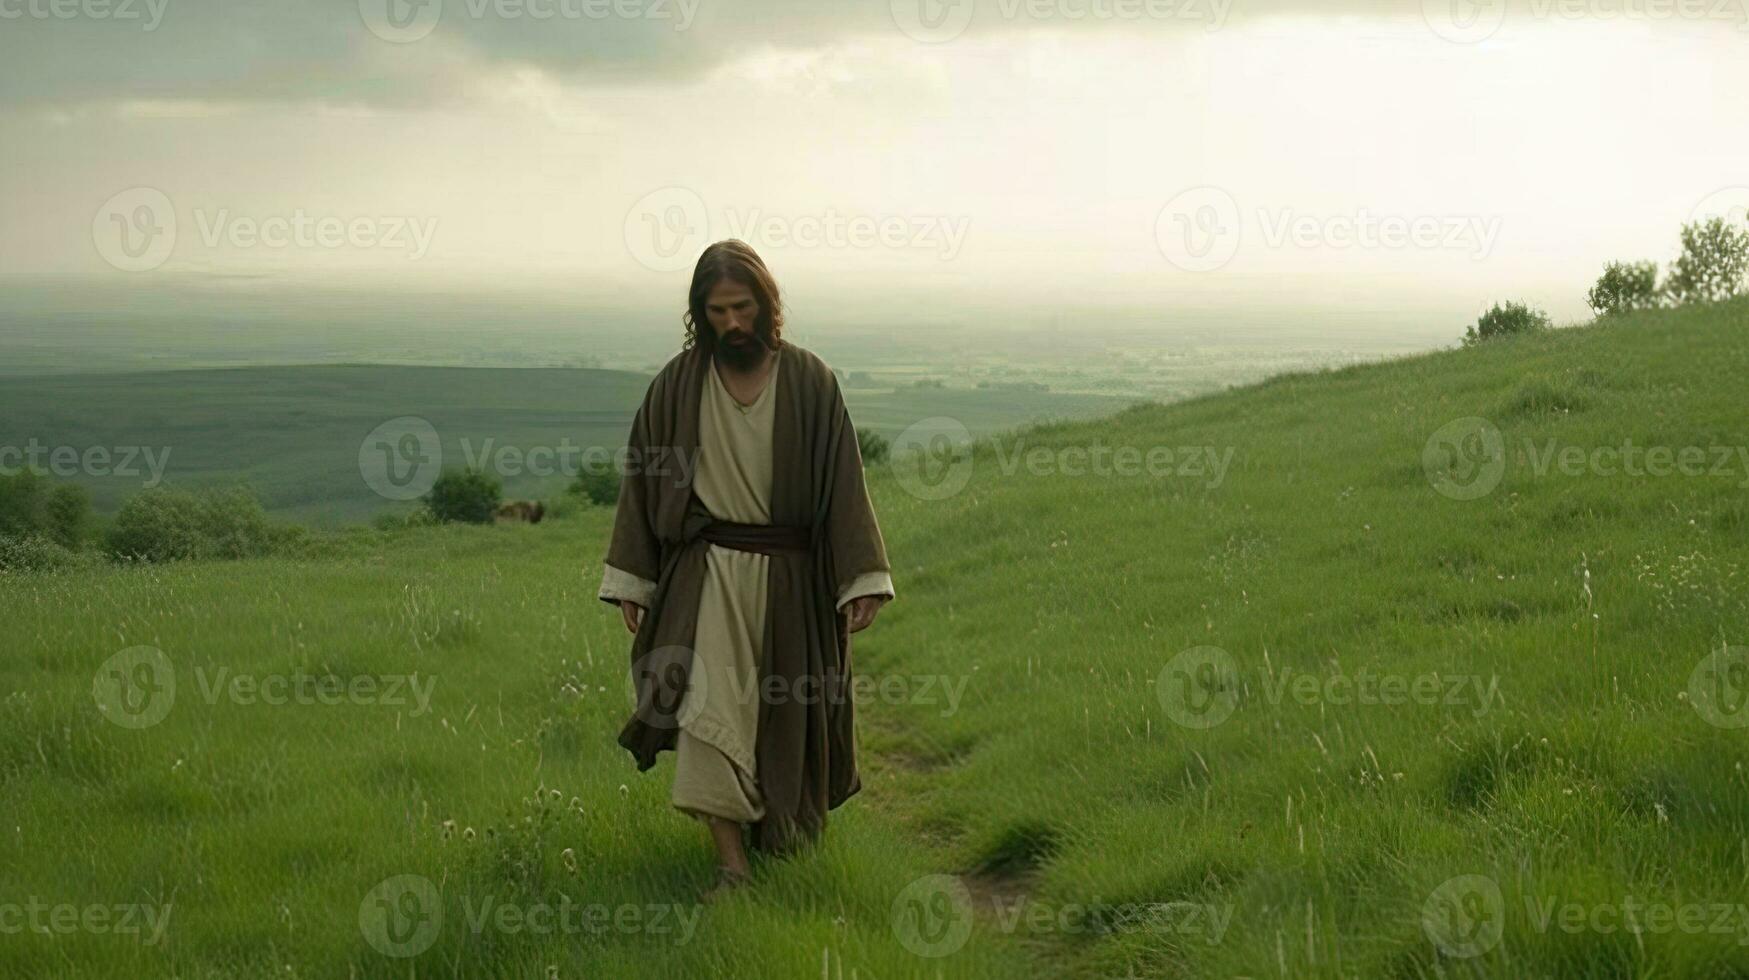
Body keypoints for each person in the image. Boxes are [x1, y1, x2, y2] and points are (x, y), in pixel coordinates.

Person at [597, 239, 894, 897]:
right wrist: (632, 583)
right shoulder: (676, 386)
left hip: (790, 581)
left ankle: (779, 843)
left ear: (766, 303)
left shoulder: (810, 382)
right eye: (717, 311)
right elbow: (642, 485)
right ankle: (730, 866)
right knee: (707, 713)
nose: (732, 323)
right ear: (700, 315)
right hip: (703, 582)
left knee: (785, 718)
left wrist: (860, 578)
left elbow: (845, 483)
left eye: (742, 307)